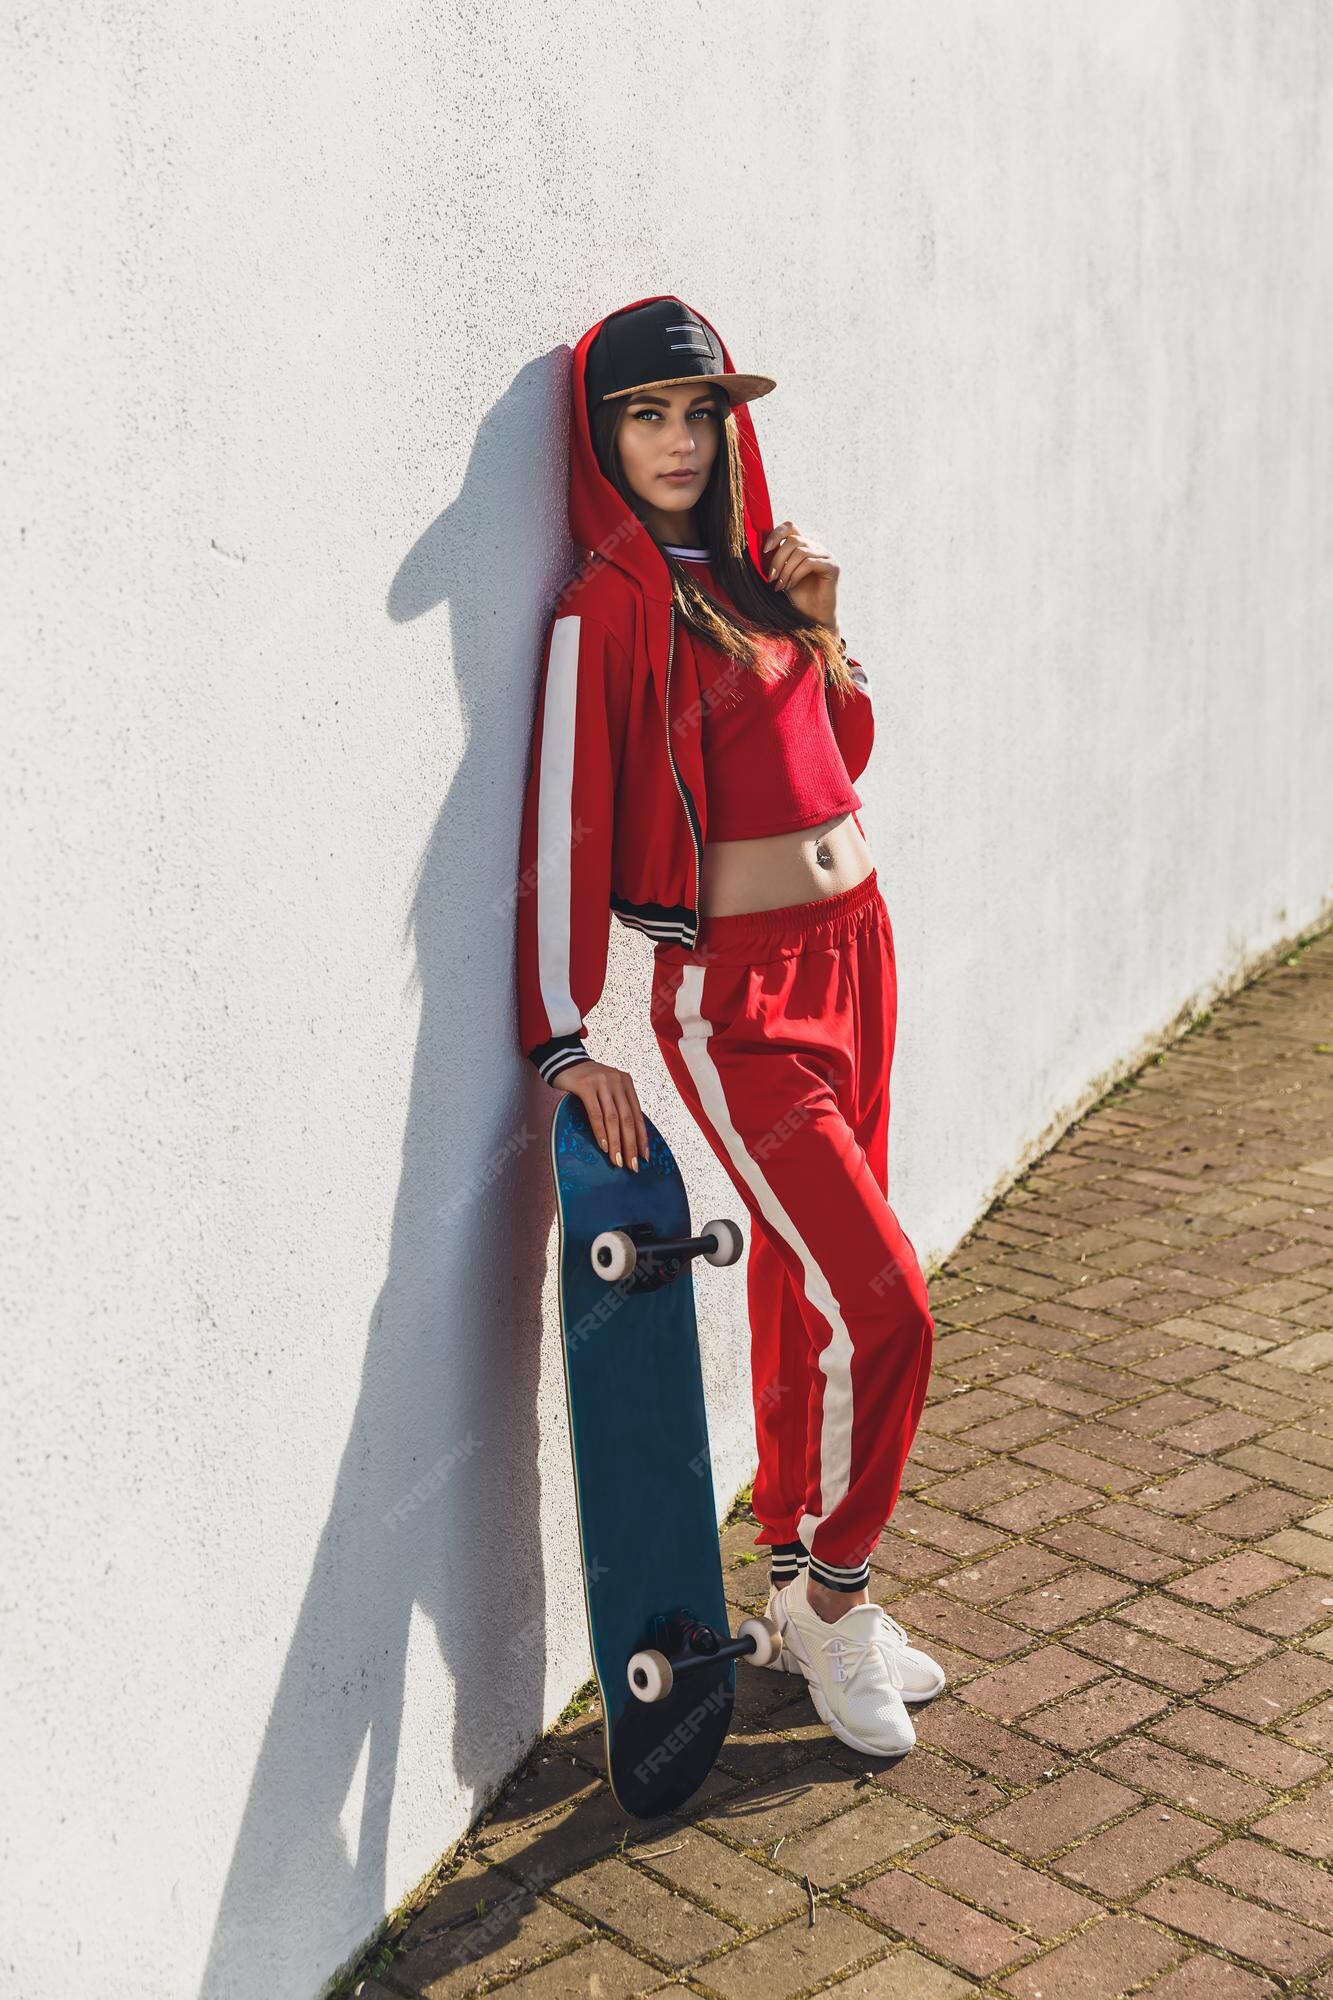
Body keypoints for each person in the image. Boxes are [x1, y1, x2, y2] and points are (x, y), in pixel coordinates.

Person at [515, 294, 941, 1759]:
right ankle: (837, 1596)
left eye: (698, 412)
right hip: (740, 1002)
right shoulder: (604, 611)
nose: (679, 441)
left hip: (857, 951)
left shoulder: (756, 580)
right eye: (645, 415)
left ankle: (784, 1589)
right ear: (602, 435)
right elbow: (566, 832)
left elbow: (837, 762)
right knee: (888, 1304)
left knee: (808, 1295)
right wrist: (564, 1038)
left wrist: (827, 633)